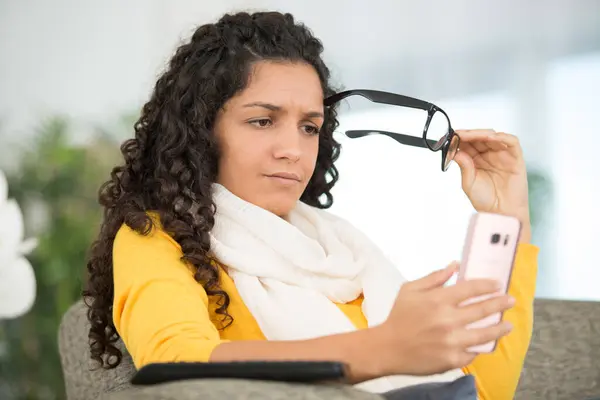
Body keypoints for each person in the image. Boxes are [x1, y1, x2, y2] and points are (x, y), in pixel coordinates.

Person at [83, 11, 538, 400]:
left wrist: (507, 215)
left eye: (309, 127)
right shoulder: (156, 239)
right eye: (262, 121)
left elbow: (483, 390)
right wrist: (381, 349)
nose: (294, 150)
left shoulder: (343, 249)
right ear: (202, 131)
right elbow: (176, 366)